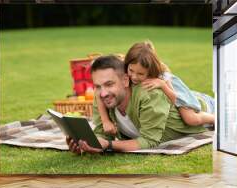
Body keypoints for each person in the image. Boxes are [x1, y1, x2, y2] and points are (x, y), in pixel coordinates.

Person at [67, 55, 207, 154]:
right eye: (98, 86)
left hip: (201, 104)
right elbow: (102, 135)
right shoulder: (101, 97)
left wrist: (109, 145)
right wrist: (86, 145)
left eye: (109, 84)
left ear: (126, 81)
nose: (103, 93)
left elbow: (150, 141)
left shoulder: (149, 94)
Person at [97, 41, 215, 135]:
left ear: (150, 71)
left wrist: (163, 85)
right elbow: (98, 91)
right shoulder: (128, 69)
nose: (134, 77)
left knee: (190, 119)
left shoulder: (162, 76)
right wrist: (106, 121)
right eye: (131, 71)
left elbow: (175, 98)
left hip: (176, 93)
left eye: (140, 74)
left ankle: (214, 119)